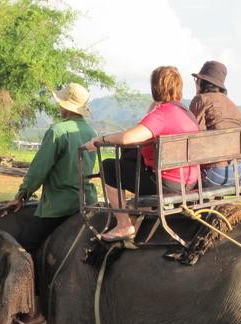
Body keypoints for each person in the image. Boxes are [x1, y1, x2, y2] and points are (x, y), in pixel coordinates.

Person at [0, 82, 98, 324]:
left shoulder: (57, 132)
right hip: (87, 202)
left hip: (60, 205)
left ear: (65, 105)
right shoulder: (90, 132)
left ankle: (35, 310)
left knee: (25, 247)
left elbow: (38, 170)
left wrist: (22, 195)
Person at [84, 66, 199, 242]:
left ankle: (124, 225)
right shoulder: (186, 113)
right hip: (189, 182)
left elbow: (127, 137)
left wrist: (101, 139)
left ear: (155, 88)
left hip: (168, 183)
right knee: (131, 157)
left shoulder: (163, 114)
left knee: (108, 166)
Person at [189, 60, 241, 187]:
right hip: (238, 173)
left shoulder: (200, 100)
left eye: (197, 80)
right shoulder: (233, 106)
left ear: (201, 82)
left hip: (214, 176)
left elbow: (193, 136)